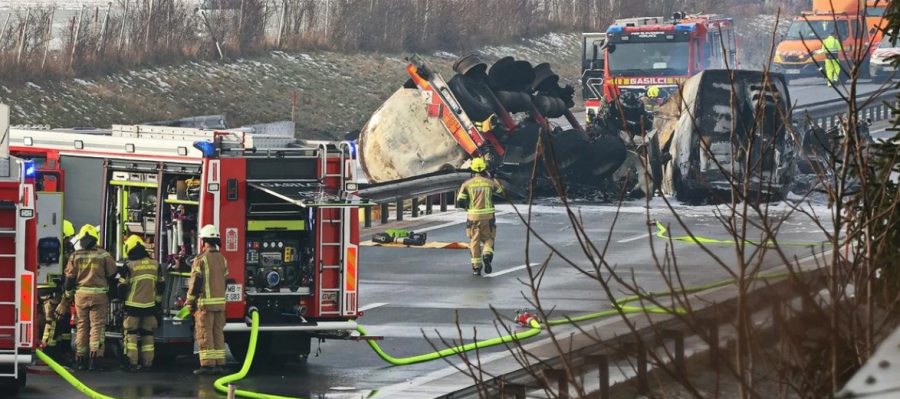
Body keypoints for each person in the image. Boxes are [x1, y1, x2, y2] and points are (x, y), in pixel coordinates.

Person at [60, 224, 116, 371]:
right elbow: (112, 274)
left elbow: (69, 280)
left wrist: (67, 296)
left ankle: (80, 360)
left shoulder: (75, 255)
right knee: (97, 326)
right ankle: (95, 360)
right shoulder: (103, 255)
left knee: (82, 327)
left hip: (80, 296)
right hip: (99, 296)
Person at [118, 235, 165, 372]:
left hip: (132, 306)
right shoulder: (155, 264)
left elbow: (121, 287)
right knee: (148, 335)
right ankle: (147, 363)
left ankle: (131, 363)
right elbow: (161, 286)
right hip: (150, 307)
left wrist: (123, 300)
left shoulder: (128, 266)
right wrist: (157, 303)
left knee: (131, 335)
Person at [187, 225, 228, 375]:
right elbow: (225, 281)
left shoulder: (201, 259)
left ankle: (208, 365)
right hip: (220, 305)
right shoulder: (222, 258)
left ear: (204, 240)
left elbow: (195, 283)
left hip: (205, 305)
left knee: (205, 334)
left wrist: (189, 302)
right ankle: (219, 364)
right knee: (218, 333)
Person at [456, 158, 504, 276]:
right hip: (488, 217)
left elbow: (460, 201)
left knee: (474, 241)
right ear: (484, 169)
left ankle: (476, 268)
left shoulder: (467, 184)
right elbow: (501, 191)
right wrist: (493, 177)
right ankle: (487, 255)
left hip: (472, 217)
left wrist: (468, 208)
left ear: (472, 169)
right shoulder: (489, 182)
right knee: (489, 239)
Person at [38, 220, 76, 362]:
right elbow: (69, 272)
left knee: (53, 320)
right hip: (52, 289)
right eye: (67, 238)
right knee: (52, 321)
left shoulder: (43, 242)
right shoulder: (62, 250)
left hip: (40, 287)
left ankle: (57, 348)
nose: (68, 241)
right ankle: (49, 352)